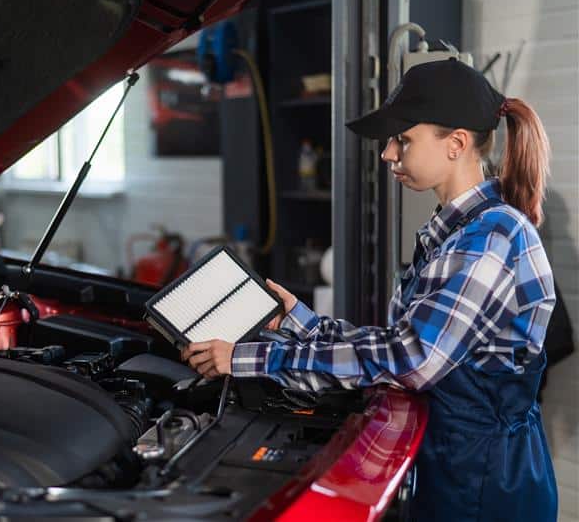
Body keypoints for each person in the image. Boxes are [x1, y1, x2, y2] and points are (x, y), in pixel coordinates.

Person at [181, 58, 558, 522]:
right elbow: (397, 346)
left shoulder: (492, 237)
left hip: (484, 484)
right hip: (452, 464)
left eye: (403, 139)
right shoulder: (458, 231)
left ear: (456, 144)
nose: (387, 154)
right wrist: (299, 320)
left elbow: (412, 359)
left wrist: (248, 359)